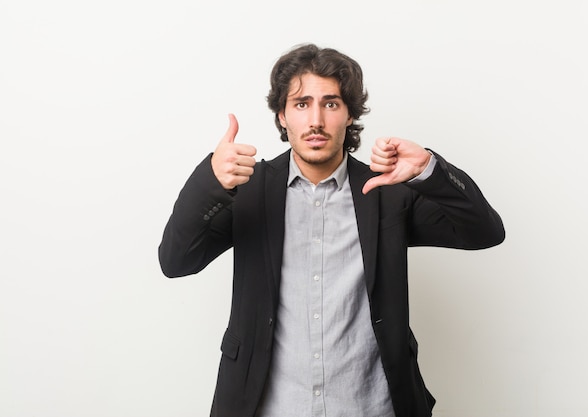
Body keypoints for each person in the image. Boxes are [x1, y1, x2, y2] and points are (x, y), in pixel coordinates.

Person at [158, 43, 505, 417]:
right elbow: (176, 260)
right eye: (302, 104)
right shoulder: (248, 190)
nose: (316, 121)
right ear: (282, 116)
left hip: (372, 408)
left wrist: (429, 171)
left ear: (350, 114)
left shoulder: (387, 192)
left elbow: (485, 232)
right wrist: (210, 180)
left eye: (331, 103)